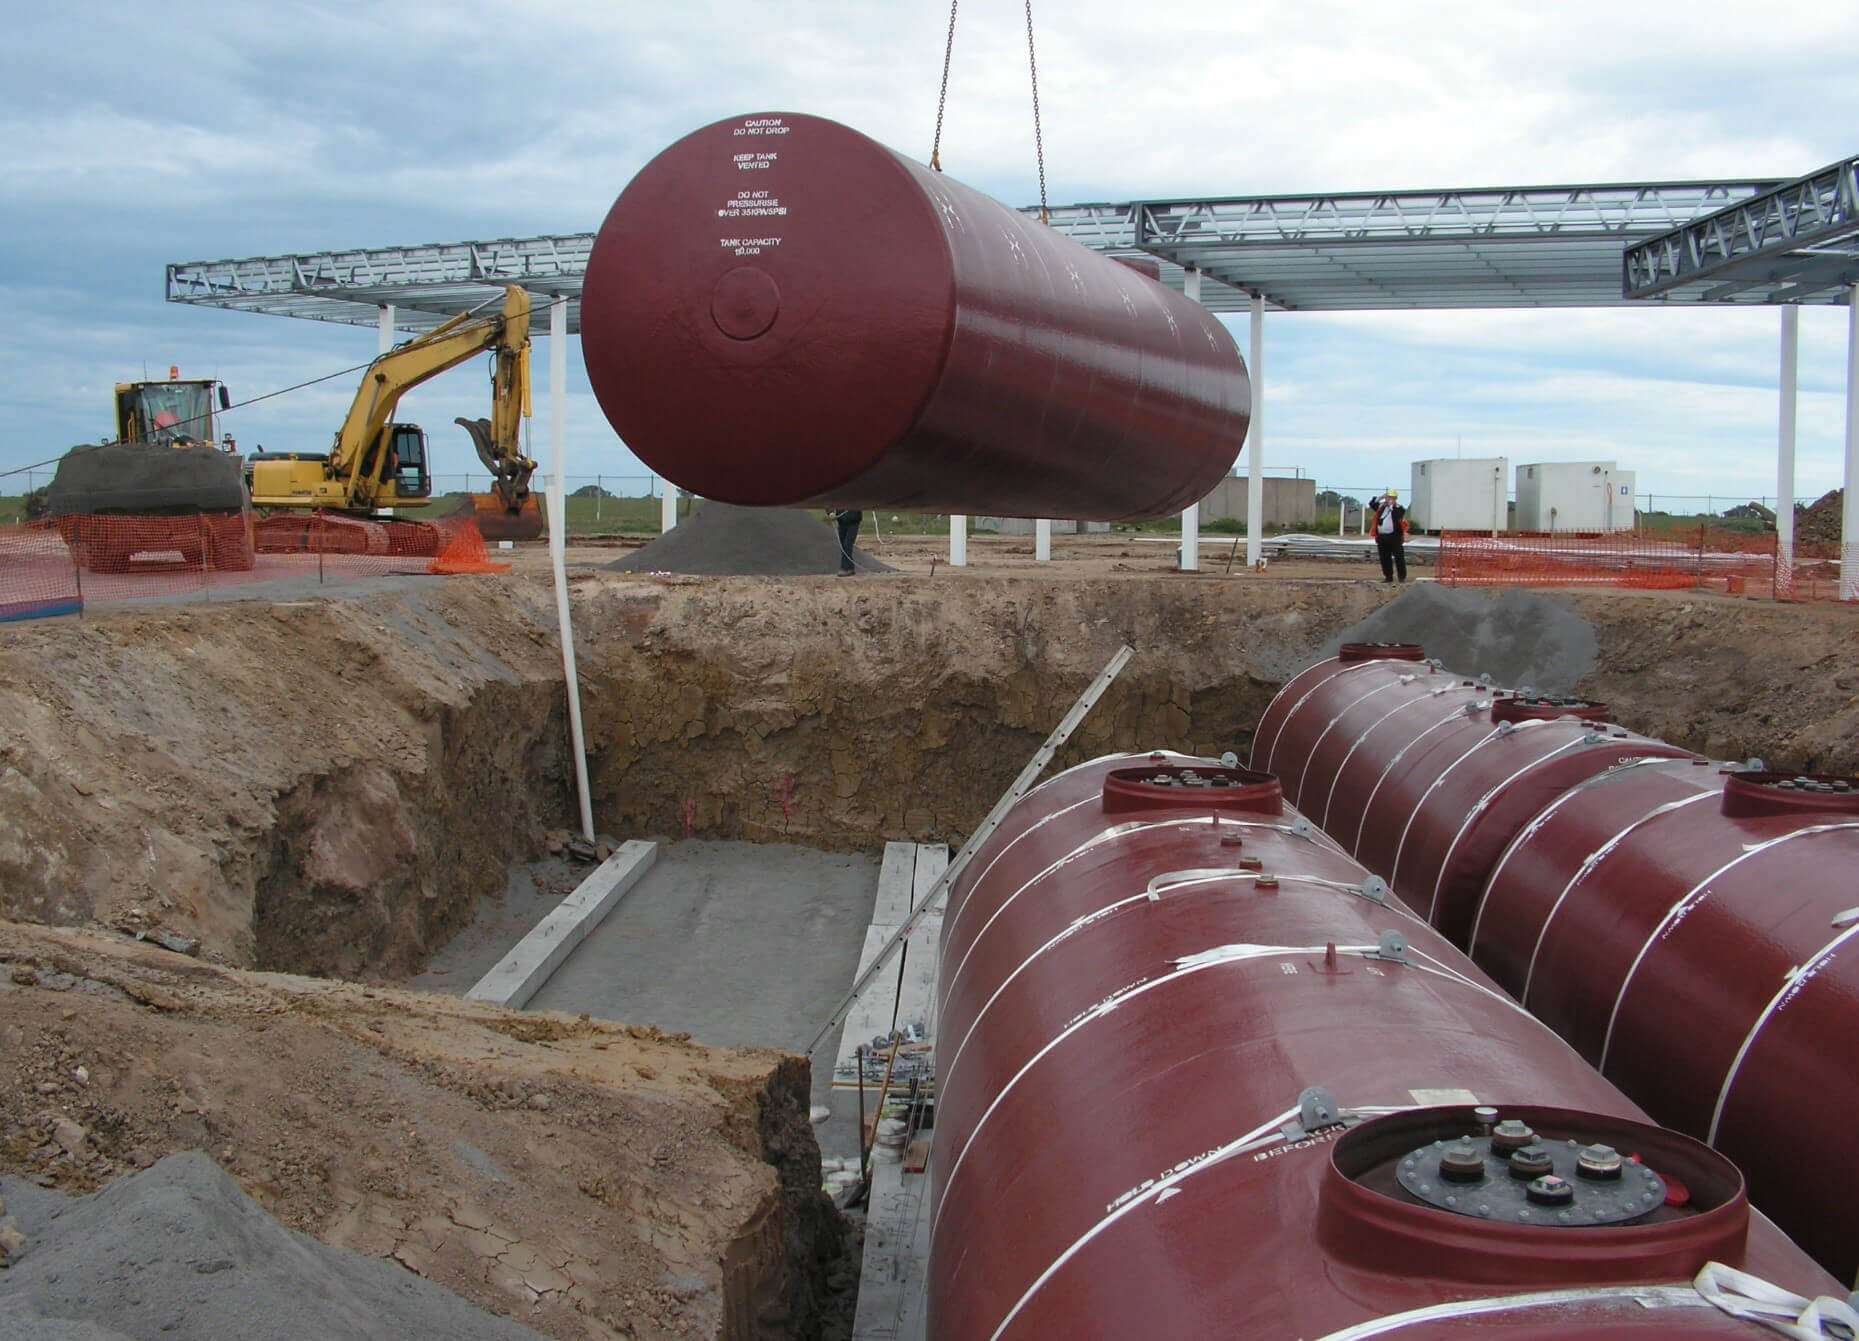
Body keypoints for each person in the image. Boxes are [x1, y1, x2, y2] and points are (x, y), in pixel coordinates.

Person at [1370, 489, 1407, 583]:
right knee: (1384, 557)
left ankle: (1401, 577)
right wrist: (1381, 497)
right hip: (1382, 537)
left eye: (1392, 498)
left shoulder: (1399, 508)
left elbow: (1397, 515)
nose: (1389, 499)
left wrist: (1391, 506)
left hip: (1395, 537)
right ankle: (1388, 576)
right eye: (1388, 497)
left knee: (1399, 557)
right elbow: (1372, 504)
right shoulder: (1381, 507)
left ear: (1395, 499)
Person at [831, 508, 864, 575]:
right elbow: (829, 502)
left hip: (854, 522)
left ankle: (844, 568)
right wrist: (830, 512)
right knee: (842, 546)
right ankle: (850, 568)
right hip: (841, 522)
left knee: (847, 544)